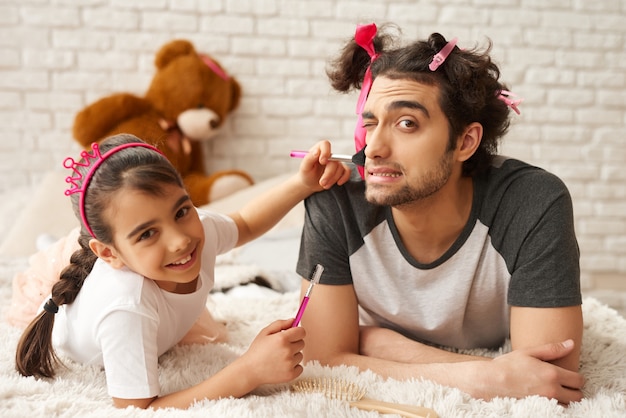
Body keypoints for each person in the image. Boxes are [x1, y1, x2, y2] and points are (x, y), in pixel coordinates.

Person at [296, 23, 584, 404]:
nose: (374, 147)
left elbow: (551, 381)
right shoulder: (335, 201)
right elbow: (323, 361)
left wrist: (385, 346)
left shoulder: (532, 201)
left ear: (465, 141)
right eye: (370, 123)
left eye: (406, 124)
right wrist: (486, 375)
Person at [15, 133, 351, 410]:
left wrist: (303, 183)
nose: (180, 241)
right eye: (147, 233)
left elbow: (244, 222)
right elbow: (139, 409)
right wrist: (248, 370)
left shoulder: (197, 229)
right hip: (104, 319)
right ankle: (51, 249)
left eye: (181, 211)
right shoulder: (126, 308)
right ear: (109, 253)